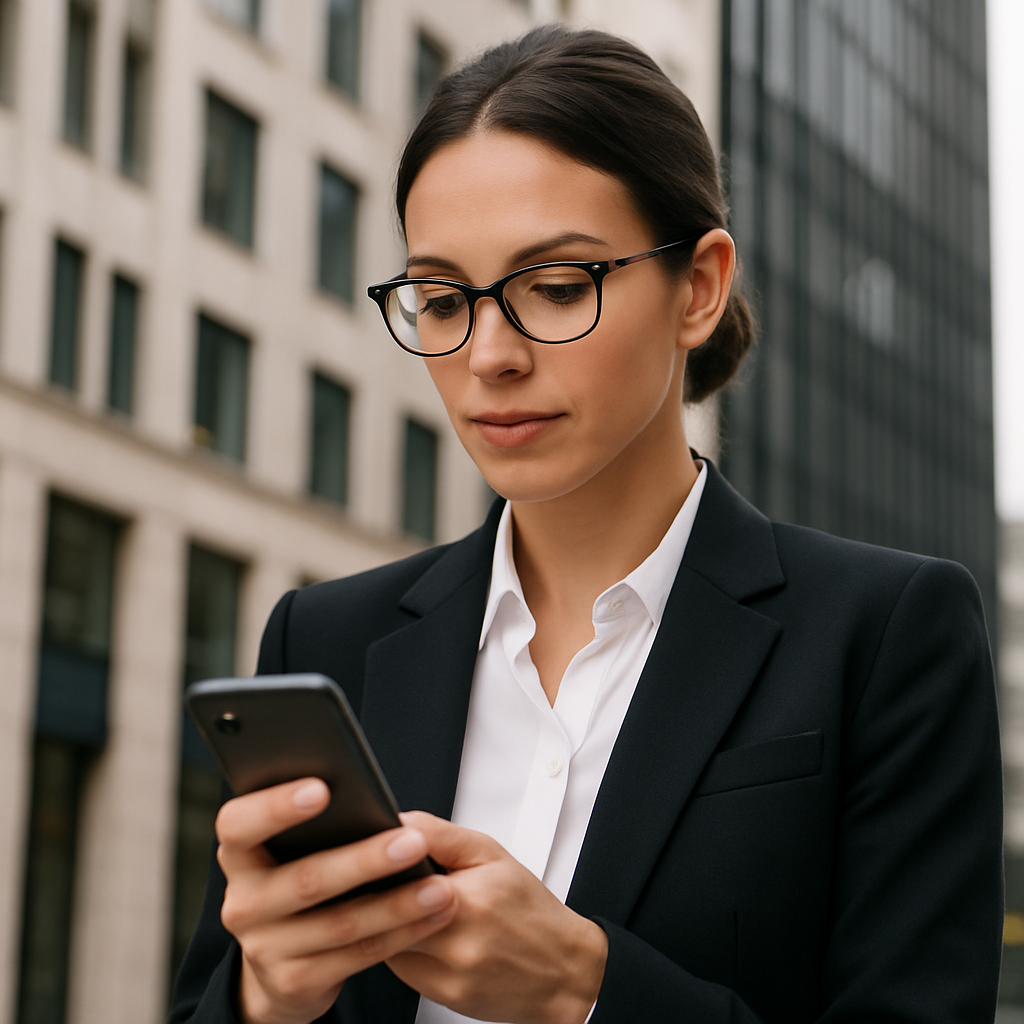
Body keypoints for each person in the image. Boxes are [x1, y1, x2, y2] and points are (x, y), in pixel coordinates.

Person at [170, 25, 1003, 1024]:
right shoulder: (327, 639)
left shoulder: (883, 634)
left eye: (555, 287)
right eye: (441, 299)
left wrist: (586, 988)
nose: (489, 355)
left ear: (697, 286)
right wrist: (264, 994)